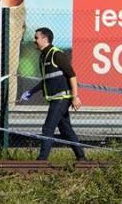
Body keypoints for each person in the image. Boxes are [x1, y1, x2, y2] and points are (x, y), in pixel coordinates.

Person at [22, 27, 85, 162]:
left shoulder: (57, 54)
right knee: (66, 130)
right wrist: (31, 92)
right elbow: (46, 80)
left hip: (62, 98)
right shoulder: (43, 57)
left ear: (45, 39)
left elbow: (72, 75)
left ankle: (42, 159)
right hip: (55, 99)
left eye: (37, 38)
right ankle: (81, 157)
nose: (34, 40)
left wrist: (75, 96)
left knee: (48, 127)